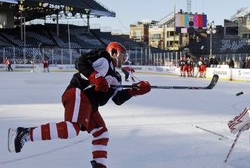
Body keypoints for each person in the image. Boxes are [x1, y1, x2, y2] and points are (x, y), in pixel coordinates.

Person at [8, 42, 151, 168]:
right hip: (79, 93)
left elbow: (118, 99)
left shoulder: (117, 77)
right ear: (113, 52)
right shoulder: (104, 58)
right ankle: (25, 133)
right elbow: (81, 62)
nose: (124, 59)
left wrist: (134, 91)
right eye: (122, 55)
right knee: (71, 130)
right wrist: (95, 76)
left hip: (89, 105)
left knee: (101, 133)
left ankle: (100, 165)